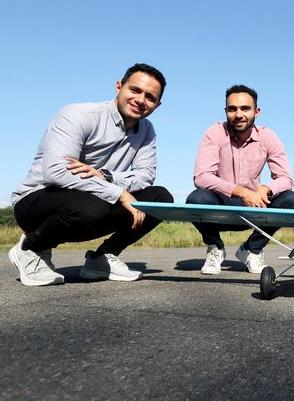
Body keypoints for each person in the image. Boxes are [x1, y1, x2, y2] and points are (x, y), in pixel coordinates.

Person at [9, 63, 174, 286]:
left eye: (150, 97)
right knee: (90, 207)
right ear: (119, 86)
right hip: (37, 200)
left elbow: (145, 175)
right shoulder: (78, 114)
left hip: (94, 200)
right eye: (134, 90)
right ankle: (31, 248)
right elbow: (55, 172)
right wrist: (120, 193)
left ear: (158, 104)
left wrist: (106, 176)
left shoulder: (146, 130)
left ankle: (102, 258)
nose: (141, 100)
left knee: (161, 199)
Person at [186, 84, 294, 275]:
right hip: (220, 205)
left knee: (291, 199)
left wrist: (265, 189)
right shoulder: (214, 132)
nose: (238, 114)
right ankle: (215, 248)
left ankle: (251, 249)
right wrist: (241, 192)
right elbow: (201, 177)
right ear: (226, 111)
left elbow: (286, 178)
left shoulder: (268, 136)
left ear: (257, 111)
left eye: (245, 108)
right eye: (232, 109)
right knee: (196, 198)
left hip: (254, 208)